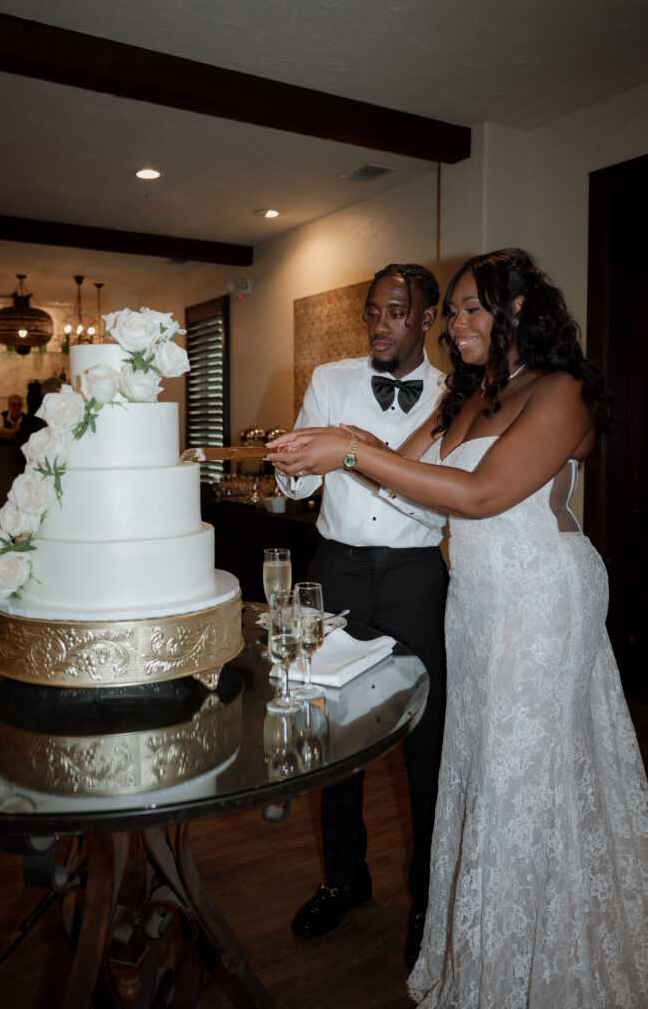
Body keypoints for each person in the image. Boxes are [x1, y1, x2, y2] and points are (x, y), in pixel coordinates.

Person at [268, 249, 648, 1008]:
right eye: (456, 313)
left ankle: (549, 957)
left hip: (542, 597)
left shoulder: (560, 391)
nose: (457, 326)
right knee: (477, 768)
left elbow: (478, 495)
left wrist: (347, 448)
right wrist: (326, 447)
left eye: (471, 308)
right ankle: (483, 948)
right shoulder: (469, 398)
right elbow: (395, 469)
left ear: (513, 312)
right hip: (474, 600)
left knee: (525, 775)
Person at [274, 263, 449, 968]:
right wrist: (289, 465)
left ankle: (428, 901)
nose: (380, 325)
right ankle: (344, 879)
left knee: (425, 741)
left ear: (427, 319)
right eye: (373, 311)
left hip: (415, 576)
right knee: (332, 731)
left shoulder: (455, 391)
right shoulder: (329, 378)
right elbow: (295, 480)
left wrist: (355, 456)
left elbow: (445, 496)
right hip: (336, 569)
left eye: (397, 312)